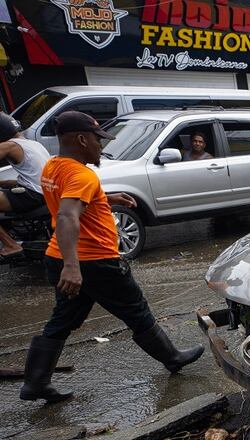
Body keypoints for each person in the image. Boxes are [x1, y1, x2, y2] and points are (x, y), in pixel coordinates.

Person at [20, 111, 203, 403]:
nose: (100, 146)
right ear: (81, 139)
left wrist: (107, 198)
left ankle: (35, 382)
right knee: (136, 311)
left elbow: (71, 199)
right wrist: (72, 266)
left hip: (60, 256)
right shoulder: (82, 174)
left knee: (62, 320)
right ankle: (172, 357)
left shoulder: (54, 167)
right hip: (94, 262)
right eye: (97, 139)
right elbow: (67, 215)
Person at [0, 113, 50, 258]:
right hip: (44, 191)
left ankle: (11, 245)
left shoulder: (10, 145)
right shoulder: (33, 143)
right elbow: (32, 177)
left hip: (32, 195)